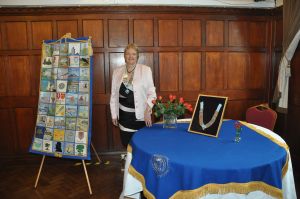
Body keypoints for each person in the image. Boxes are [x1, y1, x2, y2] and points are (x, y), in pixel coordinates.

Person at [110, 43, 157, 148]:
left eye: (134, 54)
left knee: (142, 145)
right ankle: (129, 163)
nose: (131, 56)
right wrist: (114, 114)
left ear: (137, 56)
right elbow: (113, 95)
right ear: (124, 56)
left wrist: (148, 111)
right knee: (127, 144)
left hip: (141, 116)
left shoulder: (145, 70)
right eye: (128, 54)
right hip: (124, 117)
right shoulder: (117, 72)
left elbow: (152, 94)